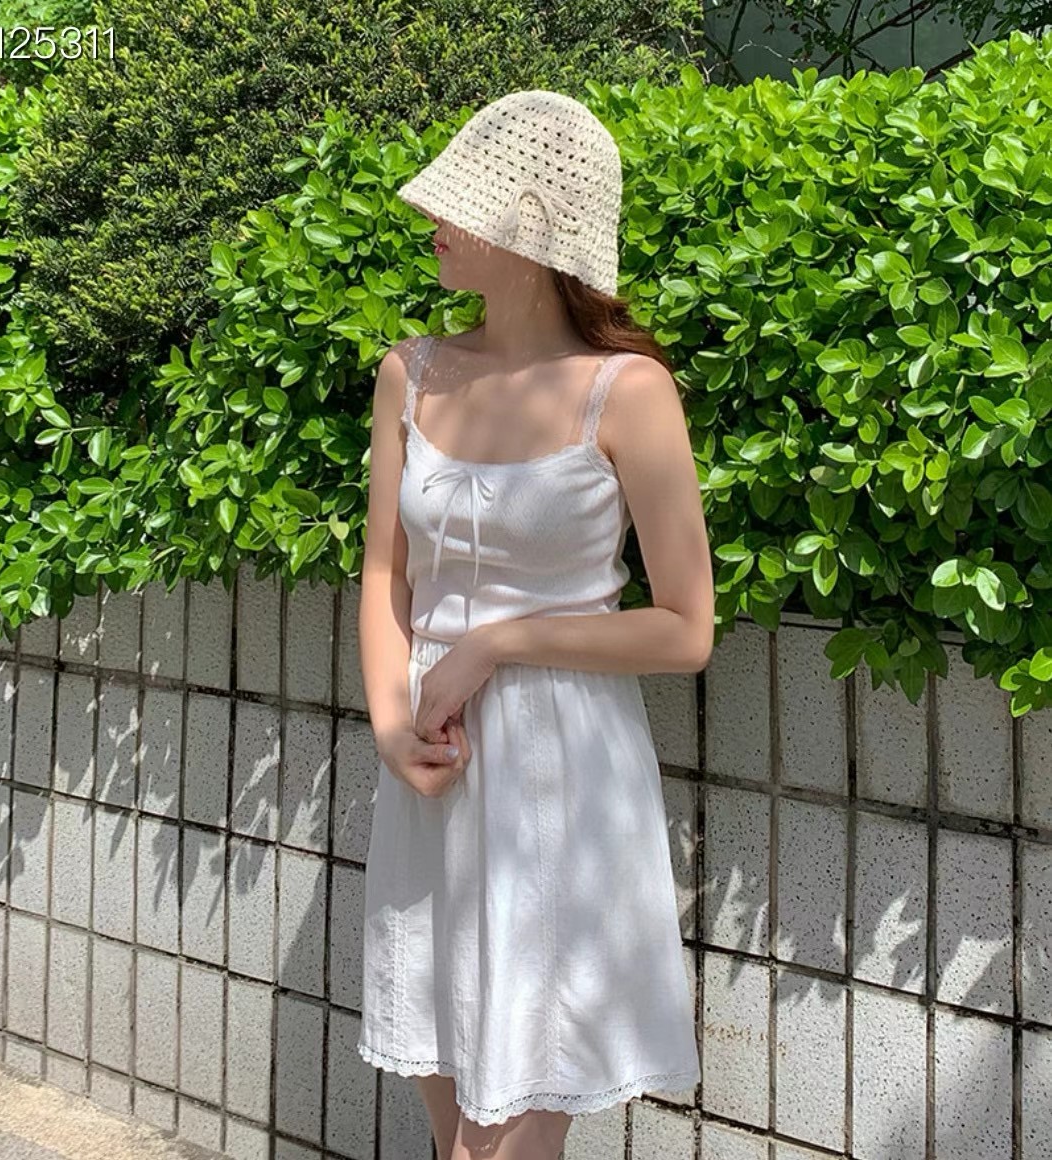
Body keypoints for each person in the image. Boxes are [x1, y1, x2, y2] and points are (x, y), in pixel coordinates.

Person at [356, 89, 715, 1160]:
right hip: (433, 768)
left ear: (530, 226)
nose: (432, 217)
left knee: (494, 1144)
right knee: (451, 1121)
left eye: (460, 200)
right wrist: (390, 725)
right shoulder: (410, 372)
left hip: (562, 777)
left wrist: (500, 641)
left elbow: (685, 627)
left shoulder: (627, 390)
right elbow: (384, 571)